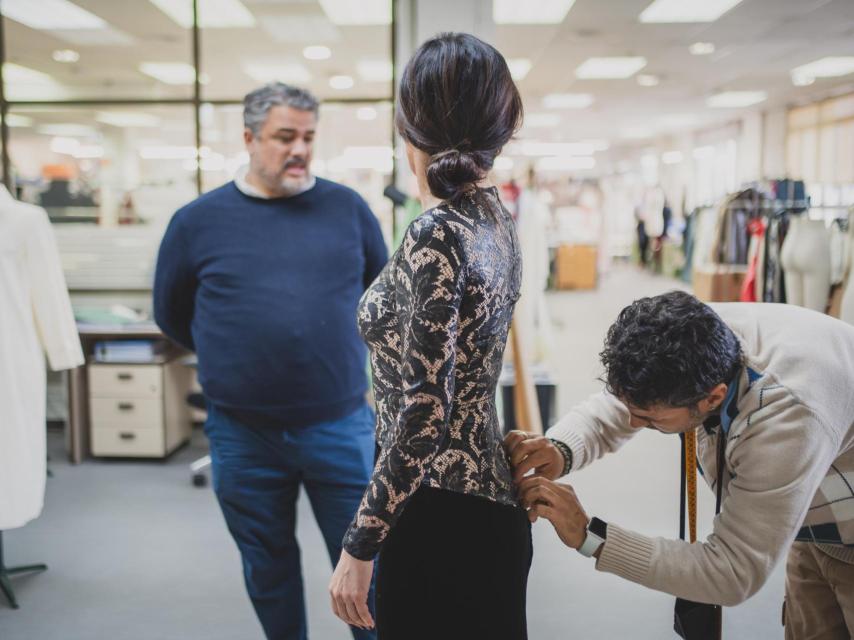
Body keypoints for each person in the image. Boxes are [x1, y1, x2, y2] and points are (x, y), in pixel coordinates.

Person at [153, 83, 387, 640]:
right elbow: (172, 315)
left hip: (339, 425)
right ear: (249, 138)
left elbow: (381, 300)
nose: (299, 149)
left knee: (368, 570)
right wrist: (238, 356)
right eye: (285, 137)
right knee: (267, 565)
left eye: (308, 137)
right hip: (243, 434)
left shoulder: (348, 209)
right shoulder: (196, 222)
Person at [329, 33, 531, 640]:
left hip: (435, 513)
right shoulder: (494, 219)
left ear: (407, 126)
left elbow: (423, 415)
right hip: (485, 506)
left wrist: (360, 543)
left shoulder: (436, 233)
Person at [507, 291, 854, 639]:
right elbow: (624, 405)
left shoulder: (785, 421)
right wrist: (561, 448)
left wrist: (591, 536)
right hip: (818, 527)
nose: (632, 422)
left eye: (650, 419)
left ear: (713, 397)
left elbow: (731, 571)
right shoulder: (695, 336)